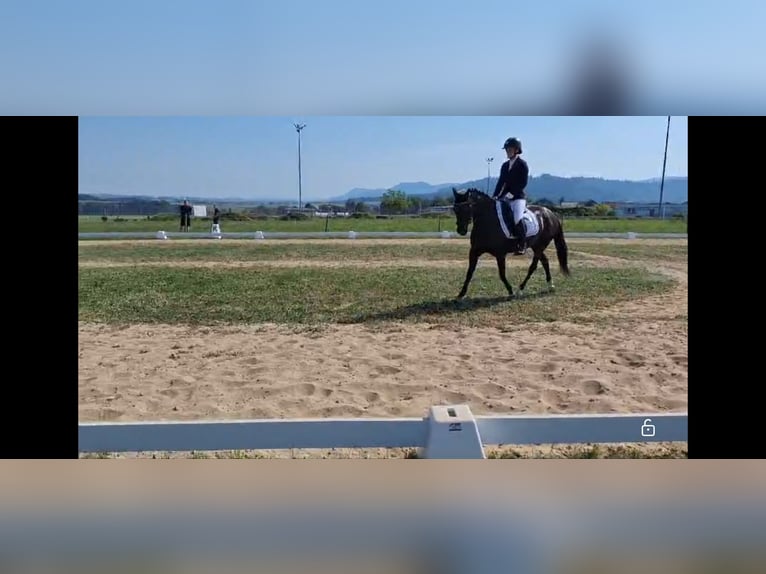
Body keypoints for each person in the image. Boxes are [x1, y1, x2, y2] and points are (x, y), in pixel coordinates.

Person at [492, 137, 529, 254]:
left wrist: (512, 194)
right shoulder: (504, 165)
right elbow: (501, 182)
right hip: (505, 196)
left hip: (518, 197)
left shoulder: (522, 164)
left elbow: (523, 182)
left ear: (517, 150)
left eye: (510, 149)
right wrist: (494, 196)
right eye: (506, 149)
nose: (507, 151)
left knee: (517, 218)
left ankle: (522, 244)